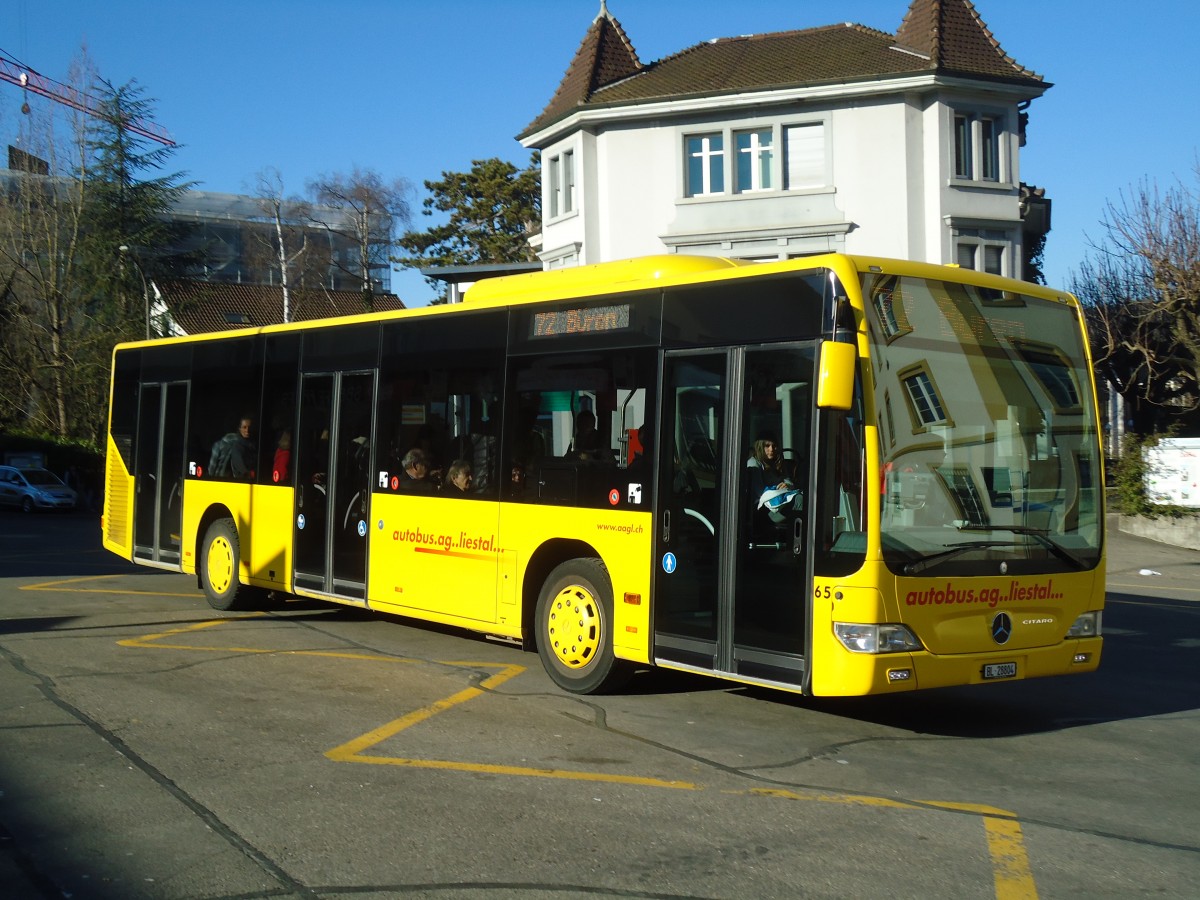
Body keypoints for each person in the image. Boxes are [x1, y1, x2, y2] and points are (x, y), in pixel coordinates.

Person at [209, 415, 256, 480]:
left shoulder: (218, 445)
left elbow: (211, 469)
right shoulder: (242, 445)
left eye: (249, 427)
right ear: (239, 429)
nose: (247, 430)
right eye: (244, 427)